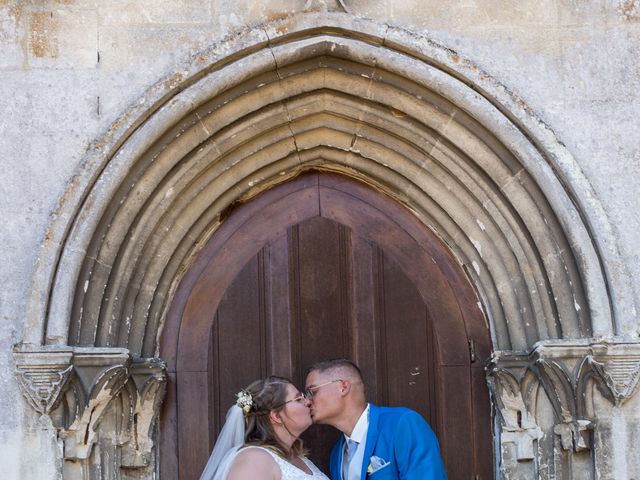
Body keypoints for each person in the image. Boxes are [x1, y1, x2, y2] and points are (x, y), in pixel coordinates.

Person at [305, 359, 446, 480]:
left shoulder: (402, 424)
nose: (307, 401)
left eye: (313, 392)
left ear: (343, 387)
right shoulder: (337, 455)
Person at [200, 376, 330, 480]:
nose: (307, 401)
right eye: (298, 399)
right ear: (276, 416)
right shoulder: (254, 459)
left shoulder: (300, 459)